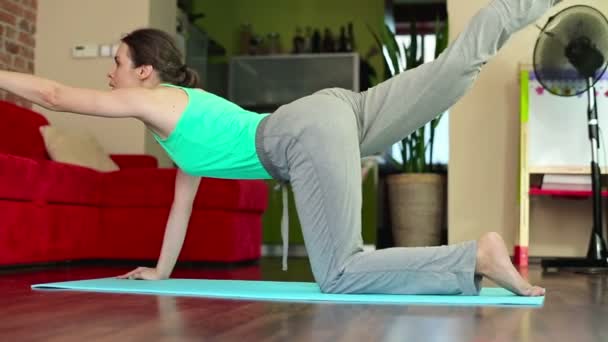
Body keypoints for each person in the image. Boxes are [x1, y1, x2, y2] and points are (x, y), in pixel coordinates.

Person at [0, 0, 560, 296]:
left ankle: (475, 258)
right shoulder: (181, 115)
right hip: (334, 112)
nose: (109, 72)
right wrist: (162, 271)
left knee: (339, 271)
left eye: (117, 63)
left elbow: (51, 94)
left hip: (299, 133)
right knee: (452, 69)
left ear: (144, 72)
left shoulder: (154, 101)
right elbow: (183, 203)